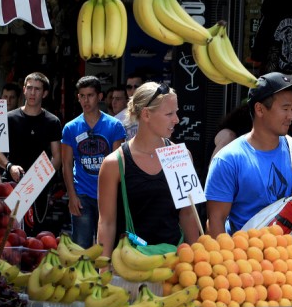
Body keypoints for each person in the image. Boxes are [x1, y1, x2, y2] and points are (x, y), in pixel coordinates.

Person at [205, 72, 292, 268]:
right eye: (285, 109)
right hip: (245, 269)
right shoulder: (228, 159)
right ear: (260, 109)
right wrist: (228, 271)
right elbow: (215, 220)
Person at [98, 82, 200, 259]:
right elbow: (106, 223)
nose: (176, 119)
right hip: (128, 264)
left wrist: (197, 262)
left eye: (176, 112)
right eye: (169, 114)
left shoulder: (180, 156)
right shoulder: (114, 163)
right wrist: (103, 268)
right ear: (146, 114)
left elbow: (188, 214)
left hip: (173, 263)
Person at [61, 76, 126, 247]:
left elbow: (118, 164)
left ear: (100, 97)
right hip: (82, 194)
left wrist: (117, 196)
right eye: (82, 96)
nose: (85, 100)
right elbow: (66, 164)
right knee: (81, 248)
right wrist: (72, 196)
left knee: (106, 248)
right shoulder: (70, 128)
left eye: (90, 95)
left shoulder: (114, 126)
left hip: (108, 193)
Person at [0, 72, 62, 236]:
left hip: (38, 187)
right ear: (24, 90)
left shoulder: (52, 121)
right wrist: (10, 167)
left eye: (37, 89)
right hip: (12, 183)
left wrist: (39, 179)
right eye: (30, 88)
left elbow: (57, 156)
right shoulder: (8, 118)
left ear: (45, 93)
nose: (33, 93)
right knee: (9, 234)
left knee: (35, 235)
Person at [117, 72, 146, 140]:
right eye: (129, 87)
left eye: (136, 87)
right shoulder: (117, 119)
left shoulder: (155, 114)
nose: (133, 90)